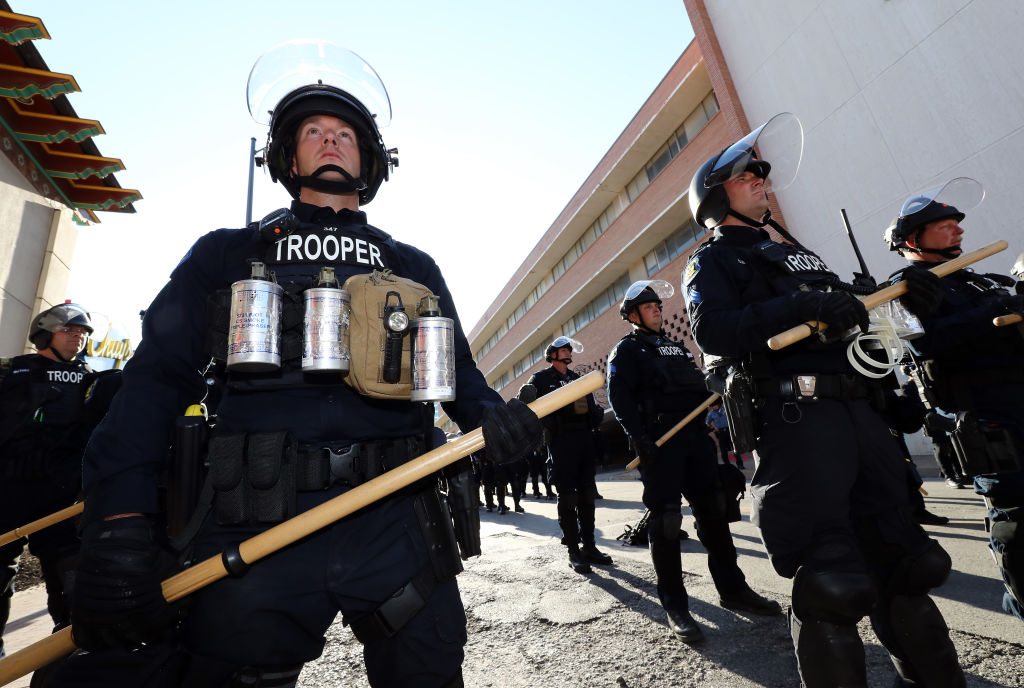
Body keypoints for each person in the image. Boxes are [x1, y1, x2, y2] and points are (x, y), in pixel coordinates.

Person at [55, 40, 541, 688]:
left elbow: (459, 379)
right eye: (313, 131)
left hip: (396, 516)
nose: (330, 140)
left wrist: (497, 422)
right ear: (288, 156)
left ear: (369, 158)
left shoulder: (413, 267)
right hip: (255, 517)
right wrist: (118, 519)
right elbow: (155, 381)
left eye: (344, 132)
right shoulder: (225, 254)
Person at [682, 116, 964, 687]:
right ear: (716, 198)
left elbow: (862, 331)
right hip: (799, 421)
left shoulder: (801, 254)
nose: (763, 177)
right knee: (835, 581)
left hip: (861, 415)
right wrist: (800, 308)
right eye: (747, 174)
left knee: (907, 564)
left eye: (762, 170)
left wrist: (884, 303)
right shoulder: (713, 258)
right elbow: (712, 330)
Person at [607, 280, 781, 643]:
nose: (657, 308)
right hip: (660, 443)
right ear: (633, 314)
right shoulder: (626, 351)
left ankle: (733, 589)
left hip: (694, 440)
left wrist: (714, 386)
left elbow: (699, 389)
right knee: (667, 522)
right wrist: (640, 438)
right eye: (648, 305)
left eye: (657, 304)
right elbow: (619, 399)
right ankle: (675, 605)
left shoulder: (677, 347)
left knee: (715, 514)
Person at [884, 180, 1024, 622]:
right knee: (1017, 520)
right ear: (913, 239)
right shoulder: (901, 290)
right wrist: (992, 313)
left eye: (956, 225)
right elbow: (918, 347)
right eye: (944, 226)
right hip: (983, 416)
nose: (958, 232)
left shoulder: (981, 280)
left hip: (1018, 398)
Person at [0, 304, 120, 659]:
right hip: (7, 487)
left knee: (69, 572)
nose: (78, 337)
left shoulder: (94, 381)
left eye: (82, 332)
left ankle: (68, 654)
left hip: (59, 492)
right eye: (69, 330)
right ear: (45, 334)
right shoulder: (11, 371)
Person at [525, 336, 611, 574]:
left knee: (587, 495)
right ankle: (574, 550)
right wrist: (553, 423)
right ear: (552, 354)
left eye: (568, 349)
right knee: (568, 497)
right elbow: (534, 410)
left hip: (583, 439)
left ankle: (590, 546)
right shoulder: (540, 379)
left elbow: (593, 407)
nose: (567, 352)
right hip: (561, 442)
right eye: (562, 349)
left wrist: (595, 415)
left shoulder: (576, 379)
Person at [705, 398, 740, 468]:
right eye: (713, 406)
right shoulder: (711, 414)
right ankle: (727, 465)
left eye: (715, 405)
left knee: (735, 448)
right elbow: (707, 423)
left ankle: (740, 464)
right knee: (723, 450)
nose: (714, 407)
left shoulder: (725, 409)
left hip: (729, 431)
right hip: (720, 432)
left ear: (718, 405)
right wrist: (714, 427)